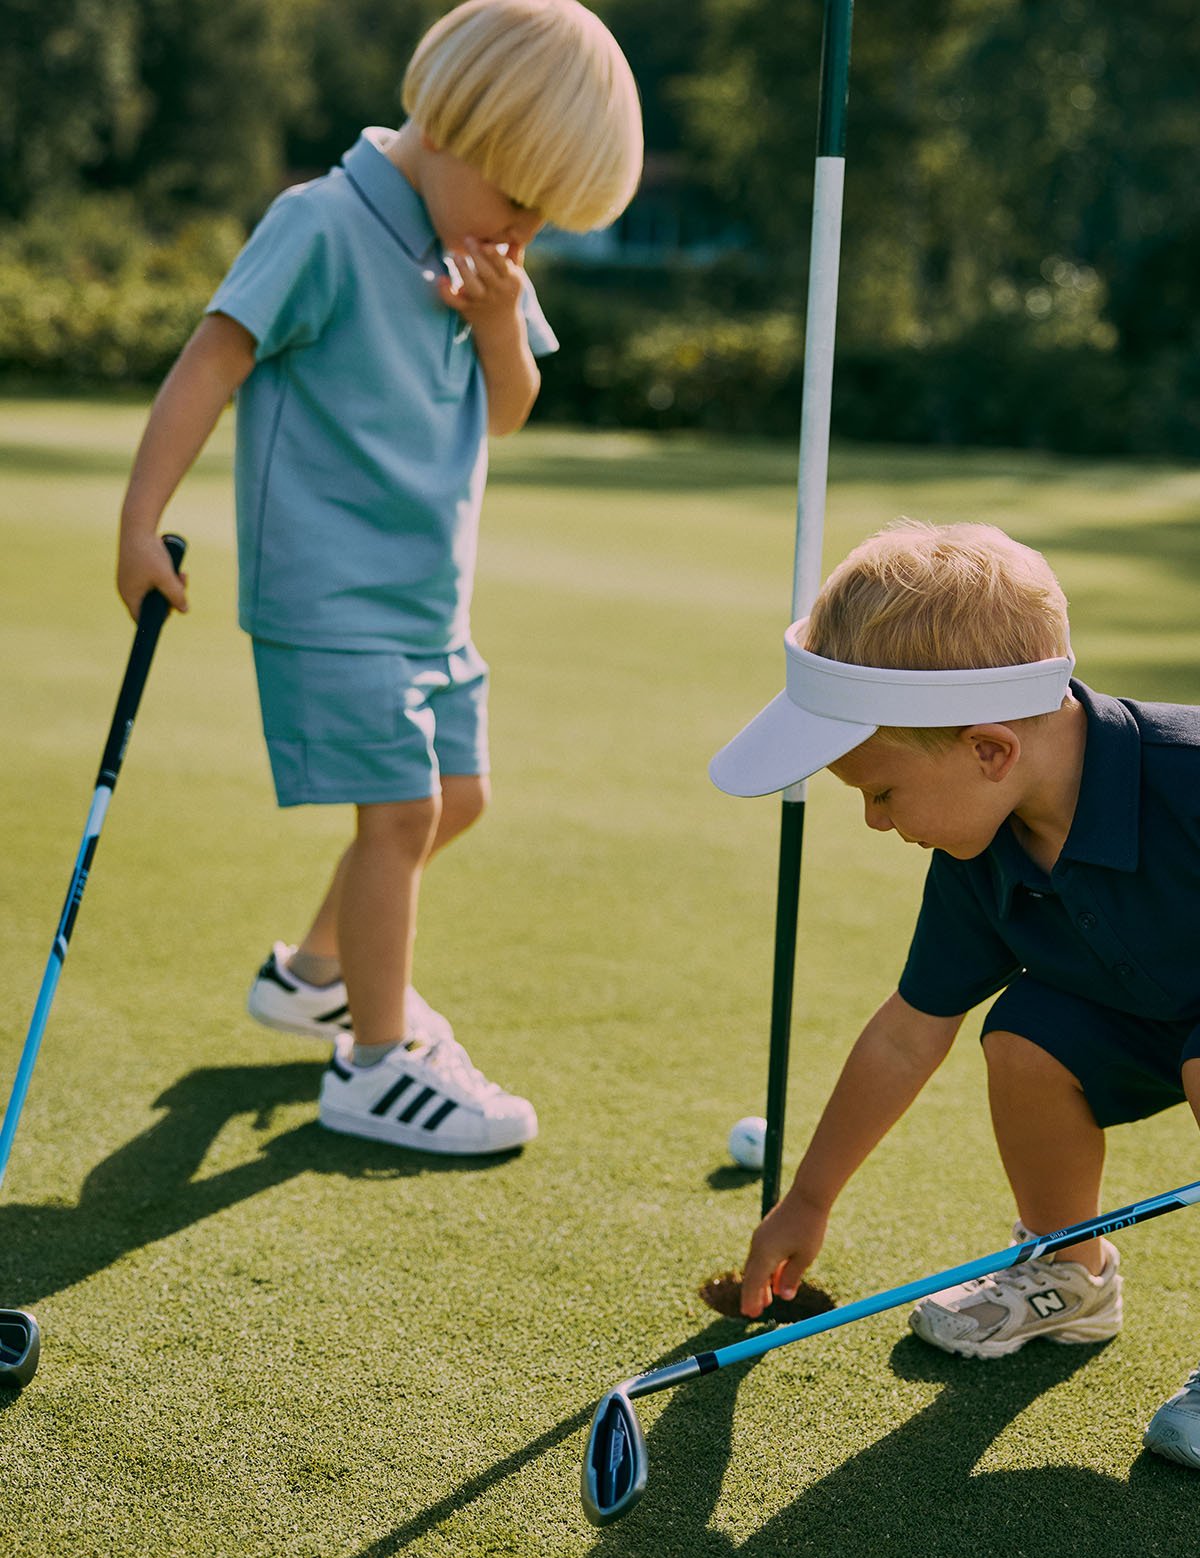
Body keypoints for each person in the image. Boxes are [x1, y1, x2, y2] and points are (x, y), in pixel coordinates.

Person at [115, 0, 643, 1156]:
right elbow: (213, 358)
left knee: (458, 800)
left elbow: (507, 412)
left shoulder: (481, 250)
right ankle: (372, 1062)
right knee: (401, 811)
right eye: (520, 201)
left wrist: (502, 323)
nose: (528, 233)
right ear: (452, 128)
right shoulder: (318, 223)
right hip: (332, 596)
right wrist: (141, 519)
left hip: (429, 603)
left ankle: (313, 975)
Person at [709, 520, 1200, 1469]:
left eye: (883, 793)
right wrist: (809, 1199)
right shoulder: (983, 852)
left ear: (988, 750)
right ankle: (1072, 1268)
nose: (873, 819)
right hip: (1142, 1024)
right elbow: (908, 1034)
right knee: (1024, 1036)